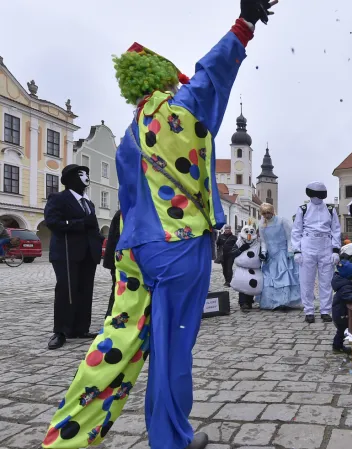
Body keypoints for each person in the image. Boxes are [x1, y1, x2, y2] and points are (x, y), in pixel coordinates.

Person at [42, 3, 279, 448]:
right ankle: (170, 438)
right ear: (165, 78)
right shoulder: (181, 110)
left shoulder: (130, 136)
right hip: (179, 244)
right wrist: (244, 25)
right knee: (172, 349)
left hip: (133, 251)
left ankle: (67, 439)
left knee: (116, 344)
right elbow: (213, 70)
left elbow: (129, 203)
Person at [44, 164, 104, 350]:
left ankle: (80, 328)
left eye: (87, 174)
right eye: (81, 174)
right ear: (71, 179)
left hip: (87, 254)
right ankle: (61, 331)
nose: (86, 177)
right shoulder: (59, 198)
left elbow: (92, 228)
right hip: (66, 253)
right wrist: (80, 223)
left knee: (85, 291)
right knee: (66, 291)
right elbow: (52, 222)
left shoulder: (89, 203)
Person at [292, 181, 341, 323]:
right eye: (314, 195)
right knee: (306, 281)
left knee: (326, 281)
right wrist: (297, 251)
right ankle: (308, 311)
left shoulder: (331, 210)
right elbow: (297, 230)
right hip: (308, 245)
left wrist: (335, 250)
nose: (317, 198)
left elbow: (336, 230)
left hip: (325, 245)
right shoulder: (303, 209)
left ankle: (325, 310)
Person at [257, 203, 302, 310]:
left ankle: (285, 302)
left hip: (283, 253)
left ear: (272, 211)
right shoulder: (261, 224)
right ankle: (272, 302)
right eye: (264, 213)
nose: (267, 215)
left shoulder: (282, 221)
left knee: (284, 276)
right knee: (269, 278)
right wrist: (263, 252)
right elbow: (263, 241)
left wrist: (290, 250)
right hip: (270, 255)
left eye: (268, 213)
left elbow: (289, 236)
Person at [103, 210, 122, 317]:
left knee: (116, 290)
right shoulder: (123, 213)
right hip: (120, 262)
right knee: (117, 291)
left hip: (117, 261)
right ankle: (111, 318)